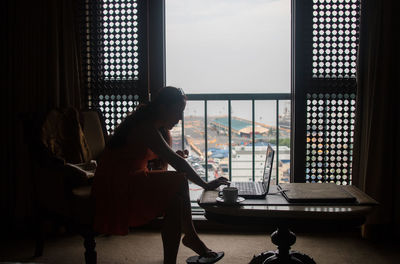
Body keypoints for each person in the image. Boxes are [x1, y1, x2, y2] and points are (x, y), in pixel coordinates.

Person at [92, 86, 229, 264]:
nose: (180, 119)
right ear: (163, 108)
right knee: (179, 181)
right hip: (116, 184)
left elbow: (159, 157)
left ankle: (179, 251)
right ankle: (191, 238)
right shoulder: (144, 126)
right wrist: (205, 184)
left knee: (175, 202)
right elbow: (174, 162)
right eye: (177, 112)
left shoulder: (157, 127)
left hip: (130, 178)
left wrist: (174, 156)